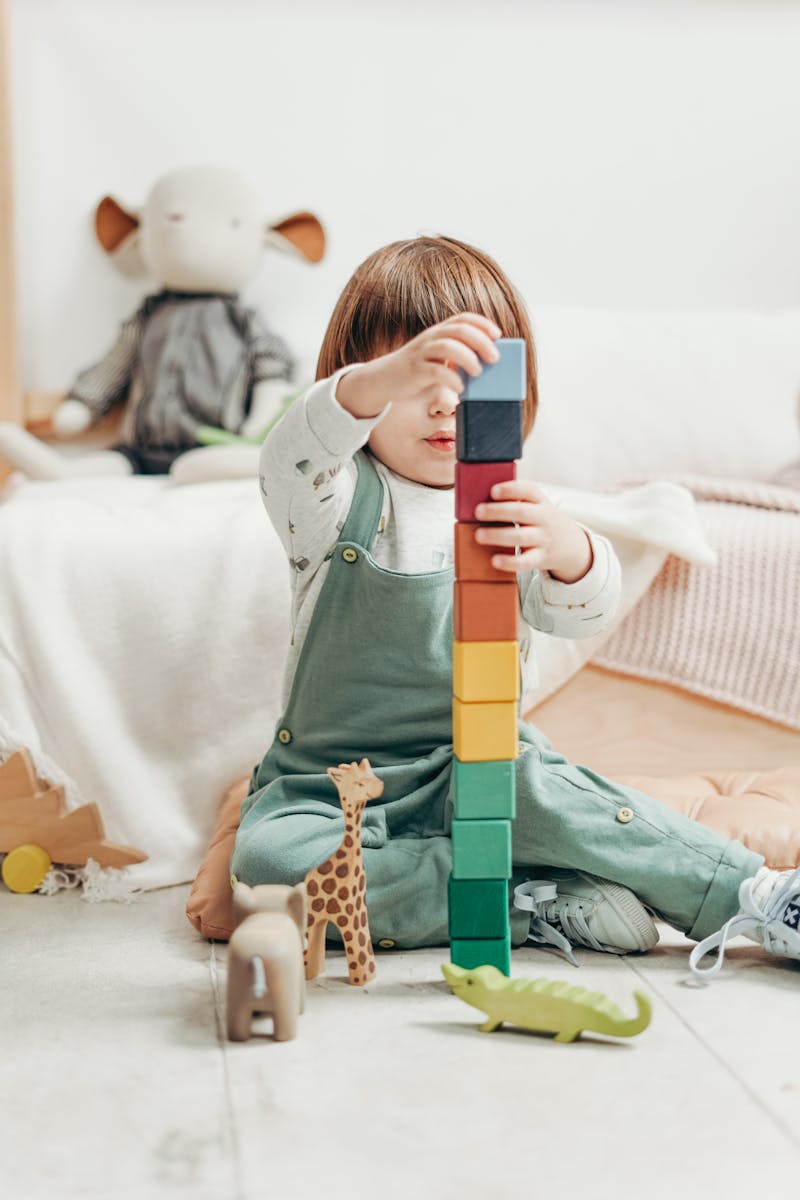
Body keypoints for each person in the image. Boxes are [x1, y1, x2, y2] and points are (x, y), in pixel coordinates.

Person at [231, 235, 800, 980]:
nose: (442, 399)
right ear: (361, 383)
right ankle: (531, 900)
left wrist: (570, 549)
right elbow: (288, 457)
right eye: (417, 376)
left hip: (476, 763)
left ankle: (755, 894)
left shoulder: (507, 508)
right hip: (330, 786)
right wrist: (378, 381)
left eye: (467, 378)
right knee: (268, 865)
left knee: (548, 790)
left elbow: (580, 612)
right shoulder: (332, 503)